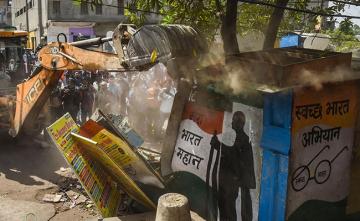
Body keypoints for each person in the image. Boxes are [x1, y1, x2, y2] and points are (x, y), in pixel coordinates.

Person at [210, 111, 256, 221]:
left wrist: (218, 145)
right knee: (226, 208)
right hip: (231, 181)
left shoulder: (242, 139)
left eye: (234, 121)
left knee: (229, 209)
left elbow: (233, 155)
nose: (232, 123)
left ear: (240, 123)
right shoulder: (237, 138)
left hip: (235, 182)